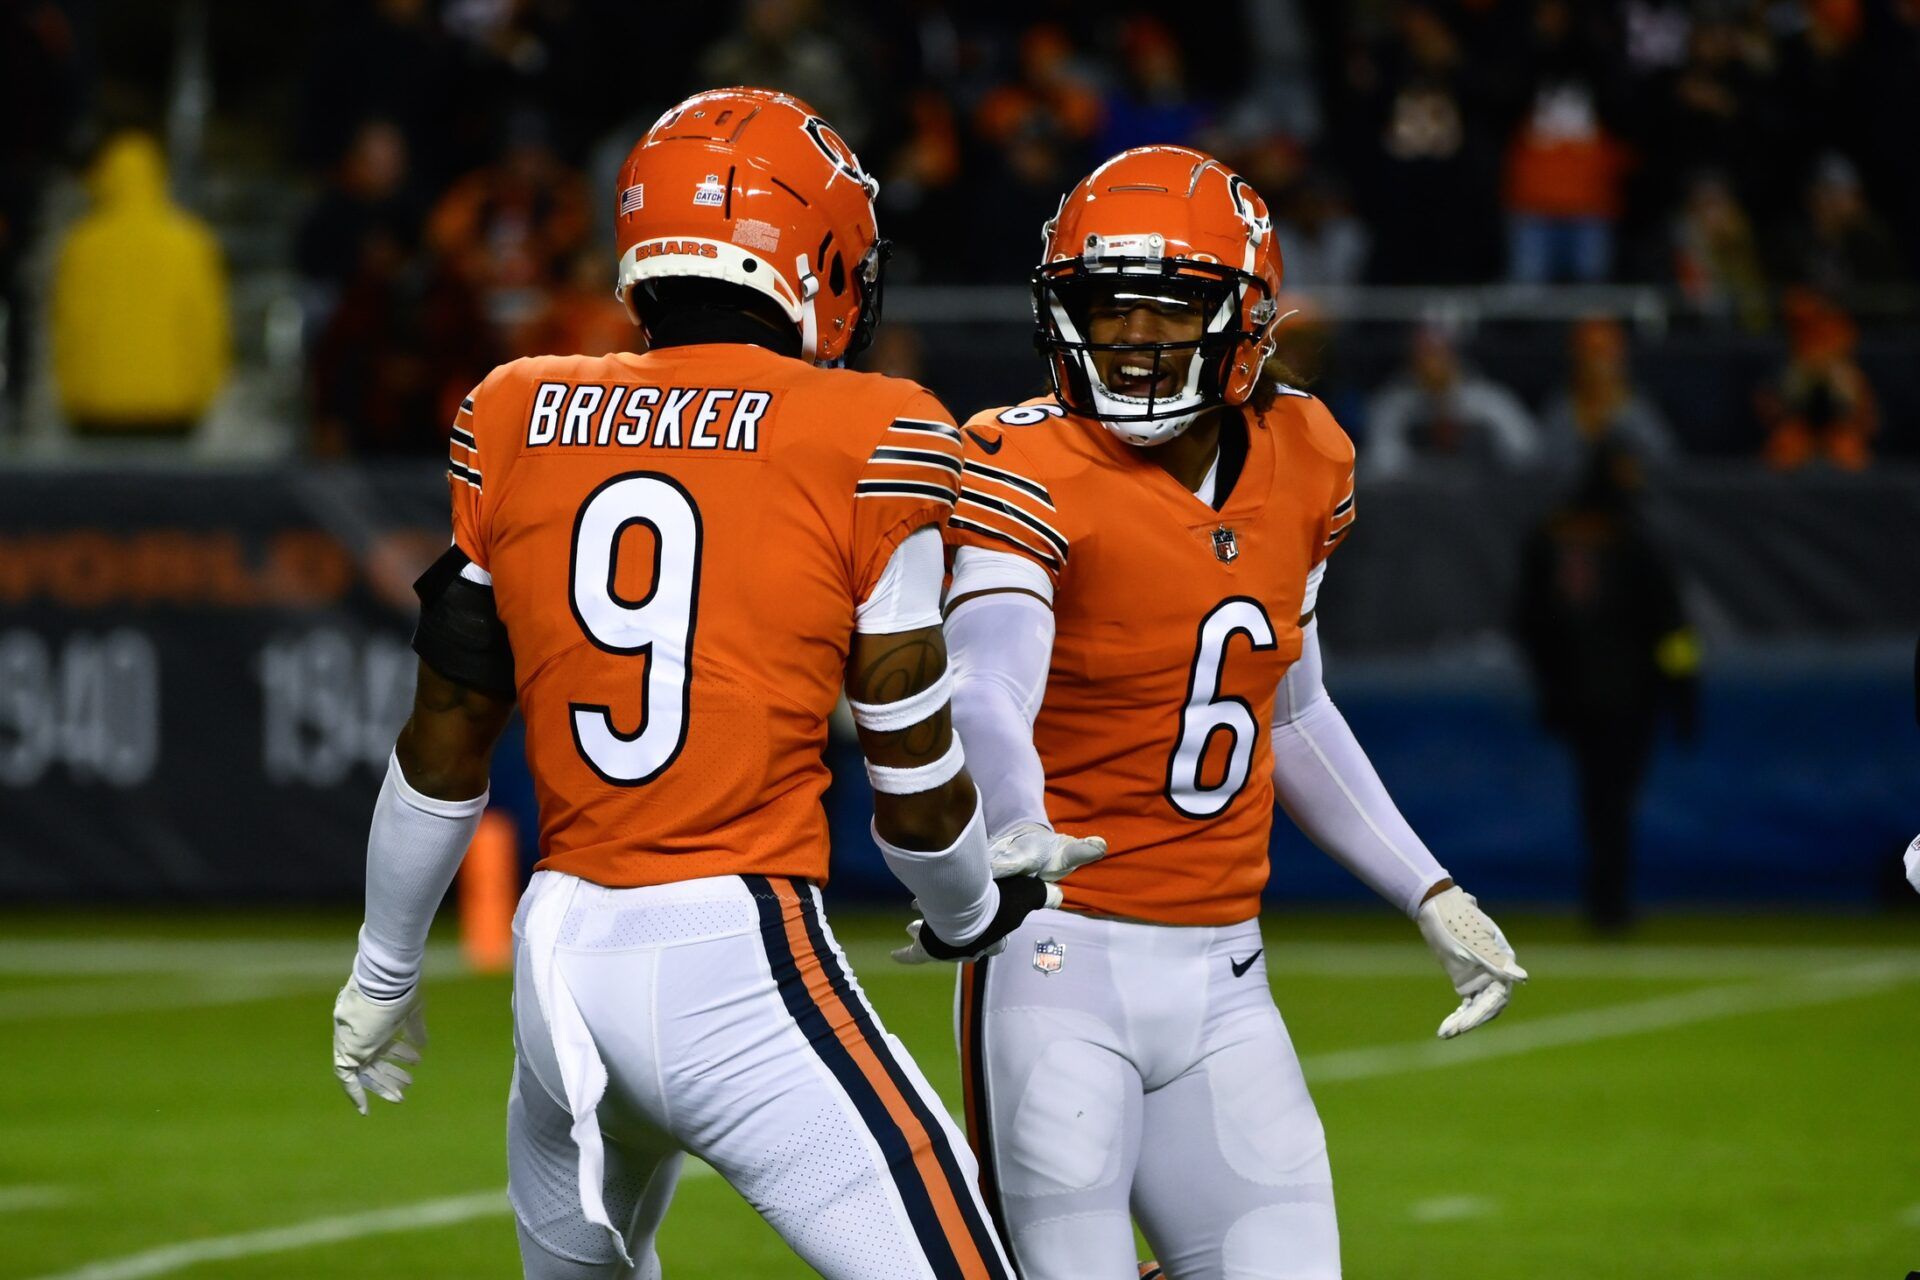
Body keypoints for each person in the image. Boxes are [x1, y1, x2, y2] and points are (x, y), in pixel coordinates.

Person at [327, 88, 1092, 1280]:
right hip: (738, 956)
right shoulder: (873, 426)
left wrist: (383, 970)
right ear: (818, 253)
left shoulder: (518, 407)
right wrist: (967, 911)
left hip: (559, 958)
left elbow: (446, 729)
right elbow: (910, 762)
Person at [919, 144, 1527, 1280]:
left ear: (1248, 319)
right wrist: (1012, 821)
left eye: (1170, 309)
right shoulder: (1018, 459)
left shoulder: (1307, 452)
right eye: (1106, 309)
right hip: (1058, 957)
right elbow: (988, 680)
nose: (1133, 339)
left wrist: (1429, 887)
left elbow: (1289, 707)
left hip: (1224, 973)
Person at [1513, 441, 1698, 932]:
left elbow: (1527, 621)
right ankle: (1610, 901)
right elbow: (1670, 624)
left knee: (1597, 796)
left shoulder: (1551, 534)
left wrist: (1549, 685)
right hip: (1629, 694)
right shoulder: (1636, 538)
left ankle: (1604, 896)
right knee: (1615, 797)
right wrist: (1684, 695)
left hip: (1573, 692)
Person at [51, 131, 229, 437]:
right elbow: (207, 324)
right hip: (173, 405)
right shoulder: (189, 241)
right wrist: (204, 391)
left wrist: (71, 392)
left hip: (96, 406)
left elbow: (67, 324)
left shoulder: (81, 244)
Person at [1360, 323, 1540, 479]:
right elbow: (1383, 465)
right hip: (1418, 504)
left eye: (1439, 352)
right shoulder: (1394, 404)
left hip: (1484, 500)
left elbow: (1526, 453)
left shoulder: (1490, 402)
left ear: (1455, 354)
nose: (1433, 363)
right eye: (1425, 353)